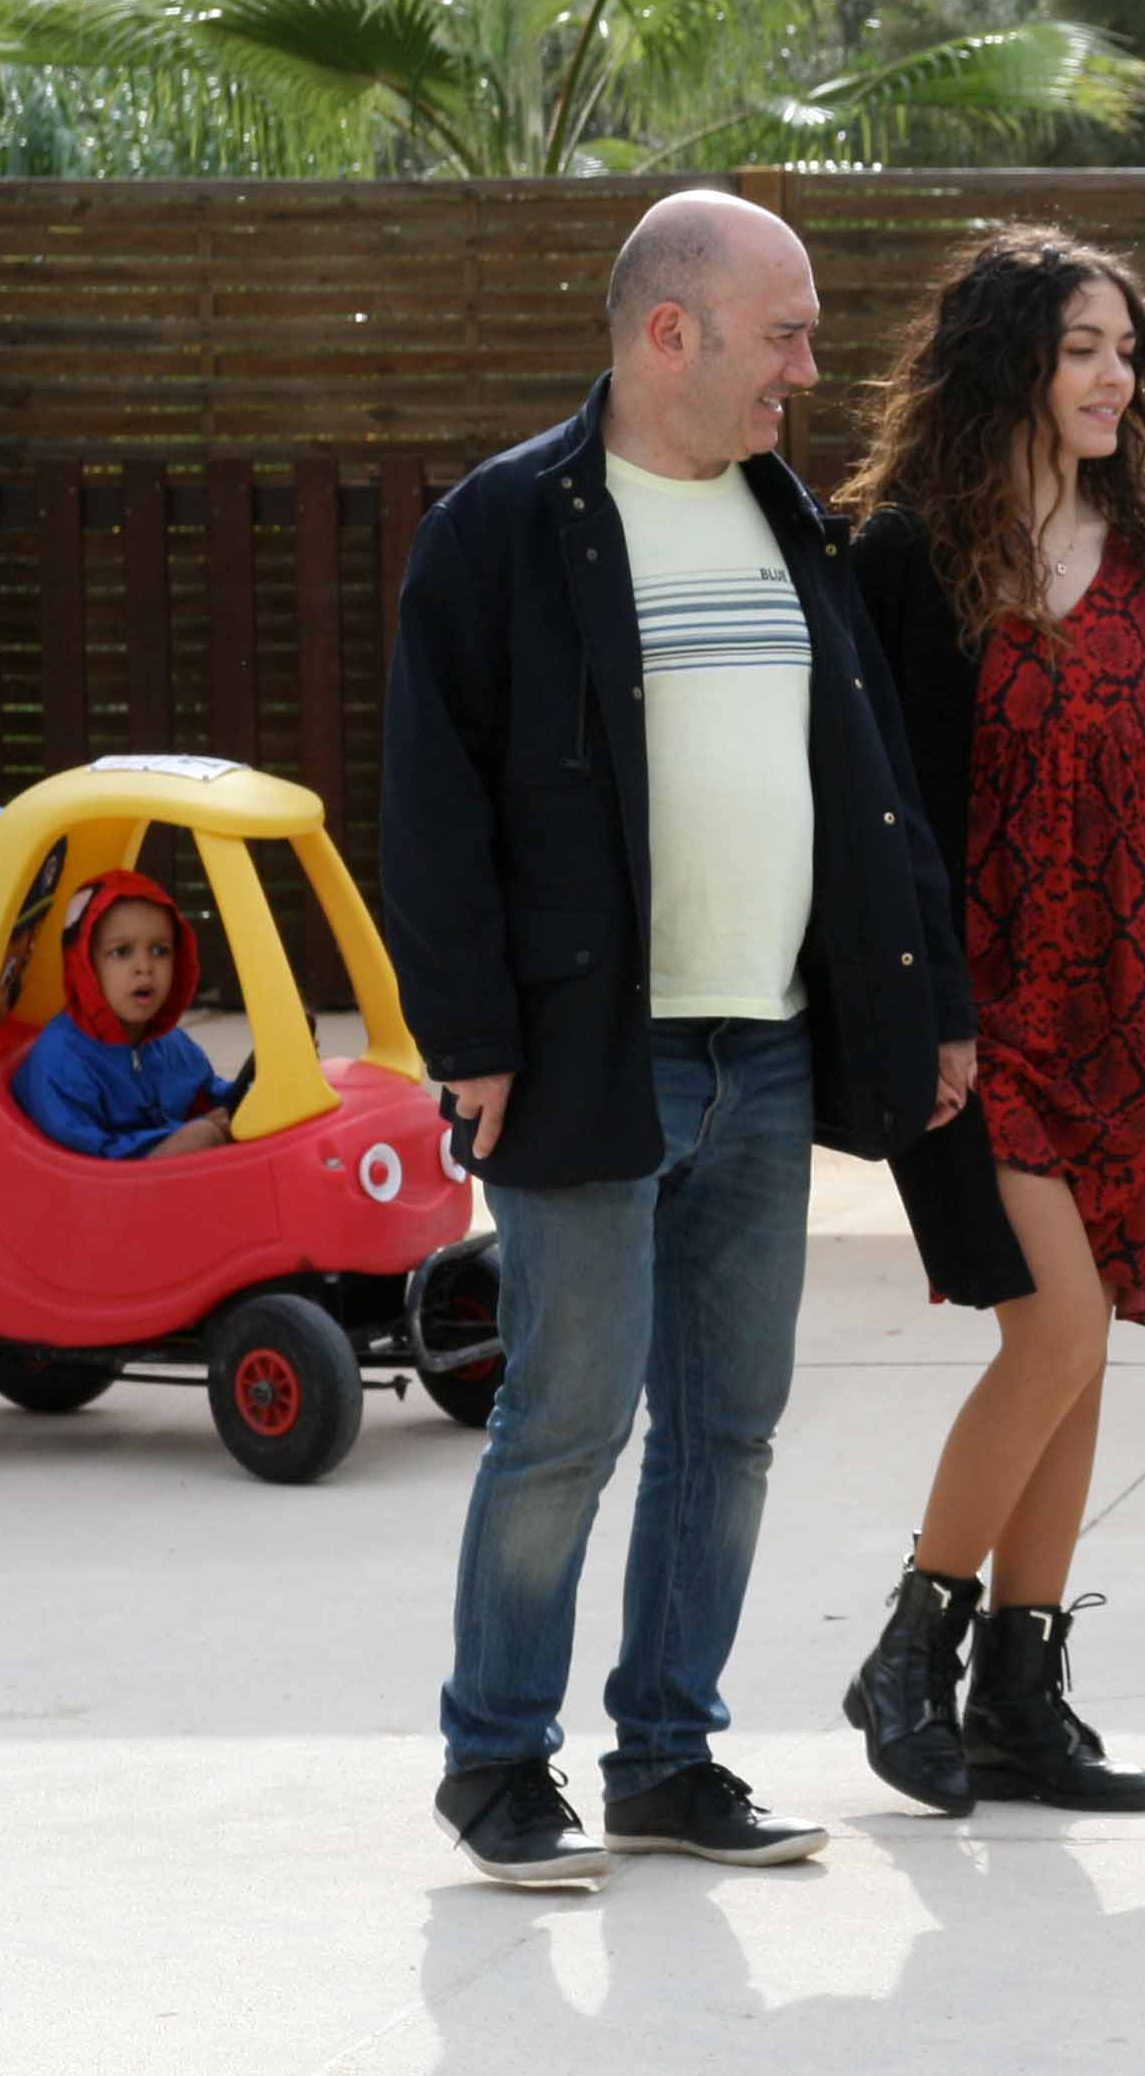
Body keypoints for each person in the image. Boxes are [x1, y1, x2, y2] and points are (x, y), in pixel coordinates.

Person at [381, 189, 971, 1886]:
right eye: (784, 334)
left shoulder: (795, 524)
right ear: (670, 332)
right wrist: (470, 1033)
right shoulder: (507, 527)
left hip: (766, 1045)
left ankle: (667, 1754)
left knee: (730, 1425)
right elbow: (432, 805)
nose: (808, 369)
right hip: (589, 1049)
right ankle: (498, 1760)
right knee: (566, 1419)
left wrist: (929, 999)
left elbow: (874, 784)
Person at [836, 226, 1145, 1816]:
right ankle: (908, 1650)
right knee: (1059, 1327)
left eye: (1127, 351)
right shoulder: (905, 559)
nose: (1117, 378)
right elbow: (875, 814)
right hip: (978, 1024)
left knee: (1081, 1352)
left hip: (1127, 1011)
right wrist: (912, 1015)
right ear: (1008, 363)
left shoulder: (1141, 558)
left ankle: (1019, 1700)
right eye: (1083, 348)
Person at [9, 870, 246, 1160]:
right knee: (203, 1135)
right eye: (121, 952)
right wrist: (182, 1135)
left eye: (159, 951)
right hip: (100, 1180)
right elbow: (82, 1159)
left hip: (153, 1170)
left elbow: (207, 1093)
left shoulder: (171, 1044)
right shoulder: (61, 1060)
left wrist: (247, 1092)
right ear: (86, 964)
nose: (144, 967)